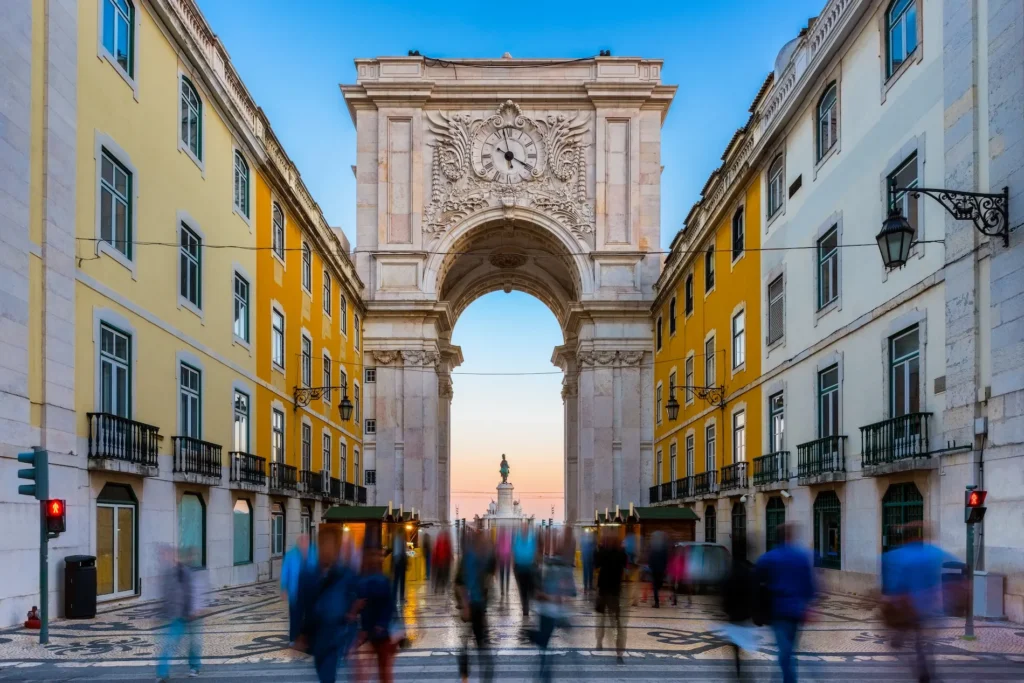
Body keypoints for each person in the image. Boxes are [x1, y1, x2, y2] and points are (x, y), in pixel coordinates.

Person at [881, 522, 954, 683]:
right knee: (925, 642)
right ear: (921, 536)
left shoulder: (892, 557)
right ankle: (925, 665)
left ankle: (903, 640)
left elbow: (891, 586)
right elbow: (954, 572)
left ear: (905, 537)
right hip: (933, 608)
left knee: (910, 638)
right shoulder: (936, 553)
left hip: (907, 609)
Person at [755, 523, 816, 683]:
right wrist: (809, 607)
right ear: (790, 537)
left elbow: (756, 581)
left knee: (784, 650)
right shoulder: (802, 556)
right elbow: (810, 586)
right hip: (797, 610)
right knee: (788, 648)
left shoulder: (768, 557)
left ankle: (789, 679)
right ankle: (784, 677)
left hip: (778, 610)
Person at [301, 526, 358, 683]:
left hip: (336, 636)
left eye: (330, 545)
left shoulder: (345, 574)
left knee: (327, 677)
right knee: (323, 674)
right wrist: (302, 634)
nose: (326, 549)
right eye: (323, 544)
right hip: (317, 637)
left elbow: (355, 602)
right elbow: (305, 605)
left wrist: (352, 637)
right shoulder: (309, 575)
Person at [455, 529, 496, 683]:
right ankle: (466, 676)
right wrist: (465, 606)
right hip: (470, 606)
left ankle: (476, 676)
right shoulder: (469, 558)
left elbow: (490, 578)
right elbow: (459, 583)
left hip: (479, 606)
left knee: (478, 645)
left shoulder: (486, 558)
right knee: (470, 644)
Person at [156, 546, 202, 681]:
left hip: (189, 614)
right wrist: (162, 612)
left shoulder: (185, 571)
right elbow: (165, 594)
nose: (162, 558)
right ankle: (162, 673)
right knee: (169, 644)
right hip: (175, 615)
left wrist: (194, 610)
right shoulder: (168, 572)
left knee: (193, 643)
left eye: (165, 555)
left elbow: (191, 591)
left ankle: (194, 666)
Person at [352, 547, 396, 683]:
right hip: (379, 631)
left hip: (371, 630)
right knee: (383, 669)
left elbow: (360, 603)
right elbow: (389, 606)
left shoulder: (364, 581)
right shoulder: (381, 580)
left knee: (366, 669)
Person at [533, 550, 576, 683]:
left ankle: (544, 674)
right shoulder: (546, 568)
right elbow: (538, 593)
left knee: (544, 644)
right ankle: (544, 675)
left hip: (551, 612)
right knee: (544, 644)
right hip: (547, 611)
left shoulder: (561, 568)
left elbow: (571, 592)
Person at [720, 536, 758, 679]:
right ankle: (742, 673)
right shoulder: (749, 569)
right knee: (742, 644)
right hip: (746, 615)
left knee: (735, 647)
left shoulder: (730, 569)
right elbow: (755, 592)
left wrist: (723, 609)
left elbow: (724, 590)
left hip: (733, 615)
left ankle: (738, 672)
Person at [594, 530, 628, 663]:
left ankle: (599, 642)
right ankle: (619, 651)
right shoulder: (621, 553)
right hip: (615, 592)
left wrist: (600, 547)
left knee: (600, 619)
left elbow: (596, 564)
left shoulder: (603, 552)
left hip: (603, 591)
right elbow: (625, 566)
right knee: (618, 623)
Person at [281, 533, 314, 645]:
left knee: (310, 614)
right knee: (295, 614)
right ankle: (293, 638)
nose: (305, 544)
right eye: (303, 541)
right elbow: (285, 572)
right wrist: (284, 588)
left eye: (307, 541)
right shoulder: (291, 555)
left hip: (311, 588)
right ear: (299, 542)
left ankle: (308, 637)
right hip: (296, 589)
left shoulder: (314, 553)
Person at [512, 522, 538, 618]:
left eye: (526, 528)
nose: (524, 529)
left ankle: (529, 602)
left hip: (530, 567)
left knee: (530, 588)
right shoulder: (517, 539)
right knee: (523, 589)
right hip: (519, 568)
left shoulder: (532, 539)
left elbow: (535, 551)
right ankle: (525, 608)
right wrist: (514, 564)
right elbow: (513, 551)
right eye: (523, 528)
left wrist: (535, 563)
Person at [647, 531, 669, 608]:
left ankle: (657, 602)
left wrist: (650, 566)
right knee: (658, 585)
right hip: (661, 570)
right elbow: (666, 559)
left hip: (655, 570)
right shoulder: (663, 548)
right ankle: (658, 601)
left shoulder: (653, 548)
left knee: (656, 586)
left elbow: (650, 558)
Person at [388, 528, 408, 606]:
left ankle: (397, 597)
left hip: (398, 561)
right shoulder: (399, 539)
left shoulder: (397, 539)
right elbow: (400, 552)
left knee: (398, 581)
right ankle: (399, 597)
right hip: (399, 561)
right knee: (399, 581)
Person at [496, 528, 512, 598]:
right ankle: (503, 589)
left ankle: (505, 589)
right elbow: (497, 548)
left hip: (506, 559)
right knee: (503, 575)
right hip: (503, 559)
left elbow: (510, 548)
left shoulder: (505, 537)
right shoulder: (501, 538)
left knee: (505, 575)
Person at [581, 530, 596, 595]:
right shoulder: (589, 542)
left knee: (589, 573)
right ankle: (587, 586)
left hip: (588, 559)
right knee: (587, 573)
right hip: (587, 559)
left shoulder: (591, 542)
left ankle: (588, 586)